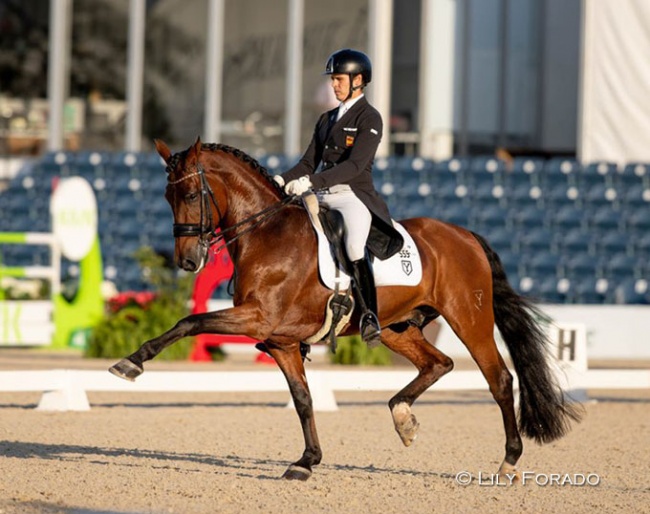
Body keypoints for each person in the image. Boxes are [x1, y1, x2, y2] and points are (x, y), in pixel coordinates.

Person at [273, 48, 404, 346]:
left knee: (355, 245)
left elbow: (354, 166)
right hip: (320, 192)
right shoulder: (326, 119)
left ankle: (370, 315)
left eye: (339, 79)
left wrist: (311, 181)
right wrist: (282, 179)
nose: (334, 85)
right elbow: (308, 162)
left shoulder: (370, 117)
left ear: (358, 80)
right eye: (333, 79)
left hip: (352, 195)